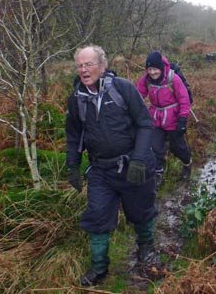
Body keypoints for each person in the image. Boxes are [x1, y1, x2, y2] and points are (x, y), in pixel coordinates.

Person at [65, 45, 158, 287]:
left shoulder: (123, 89)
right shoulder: (77, 99)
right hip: (101, 171)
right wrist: (72, 166)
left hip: (132, 165)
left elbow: (145, 125)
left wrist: (139, 160)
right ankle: (99, 267)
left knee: (140, 212)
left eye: (88, 64)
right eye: (79, 65)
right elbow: (74, 135)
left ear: (102, 66)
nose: (83, 70)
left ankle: (146, 247)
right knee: (97, 216)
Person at [136, 51, 192, 188]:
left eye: (155, 69)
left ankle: (187, 163)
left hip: (173, 118)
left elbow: (184, 100)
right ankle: (159, 173)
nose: (153, 72)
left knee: (178, 147)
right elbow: (137, 96)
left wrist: (183, 120)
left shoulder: (173, 78)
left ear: (161, 68)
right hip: (155, 118)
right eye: (149, 69)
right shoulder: (146, 80)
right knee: (155, 147)